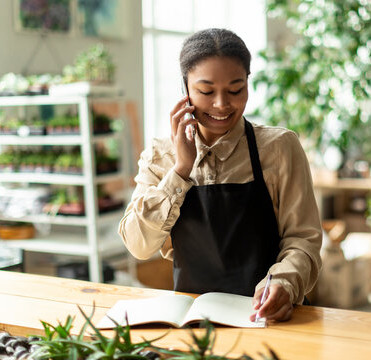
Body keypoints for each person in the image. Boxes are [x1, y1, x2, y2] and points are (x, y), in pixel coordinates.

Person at [119, 28, 322, 322]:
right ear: (185, 90)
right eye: (206, 91)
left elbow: (303, 239)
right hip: (192, 323)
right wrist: (180, 171)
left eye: (235, 90)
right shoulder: (160, 155)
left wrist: (284, 282)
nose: (221, 104)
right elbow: (138, 246)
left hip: (267, 317)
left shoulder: (279, 148)